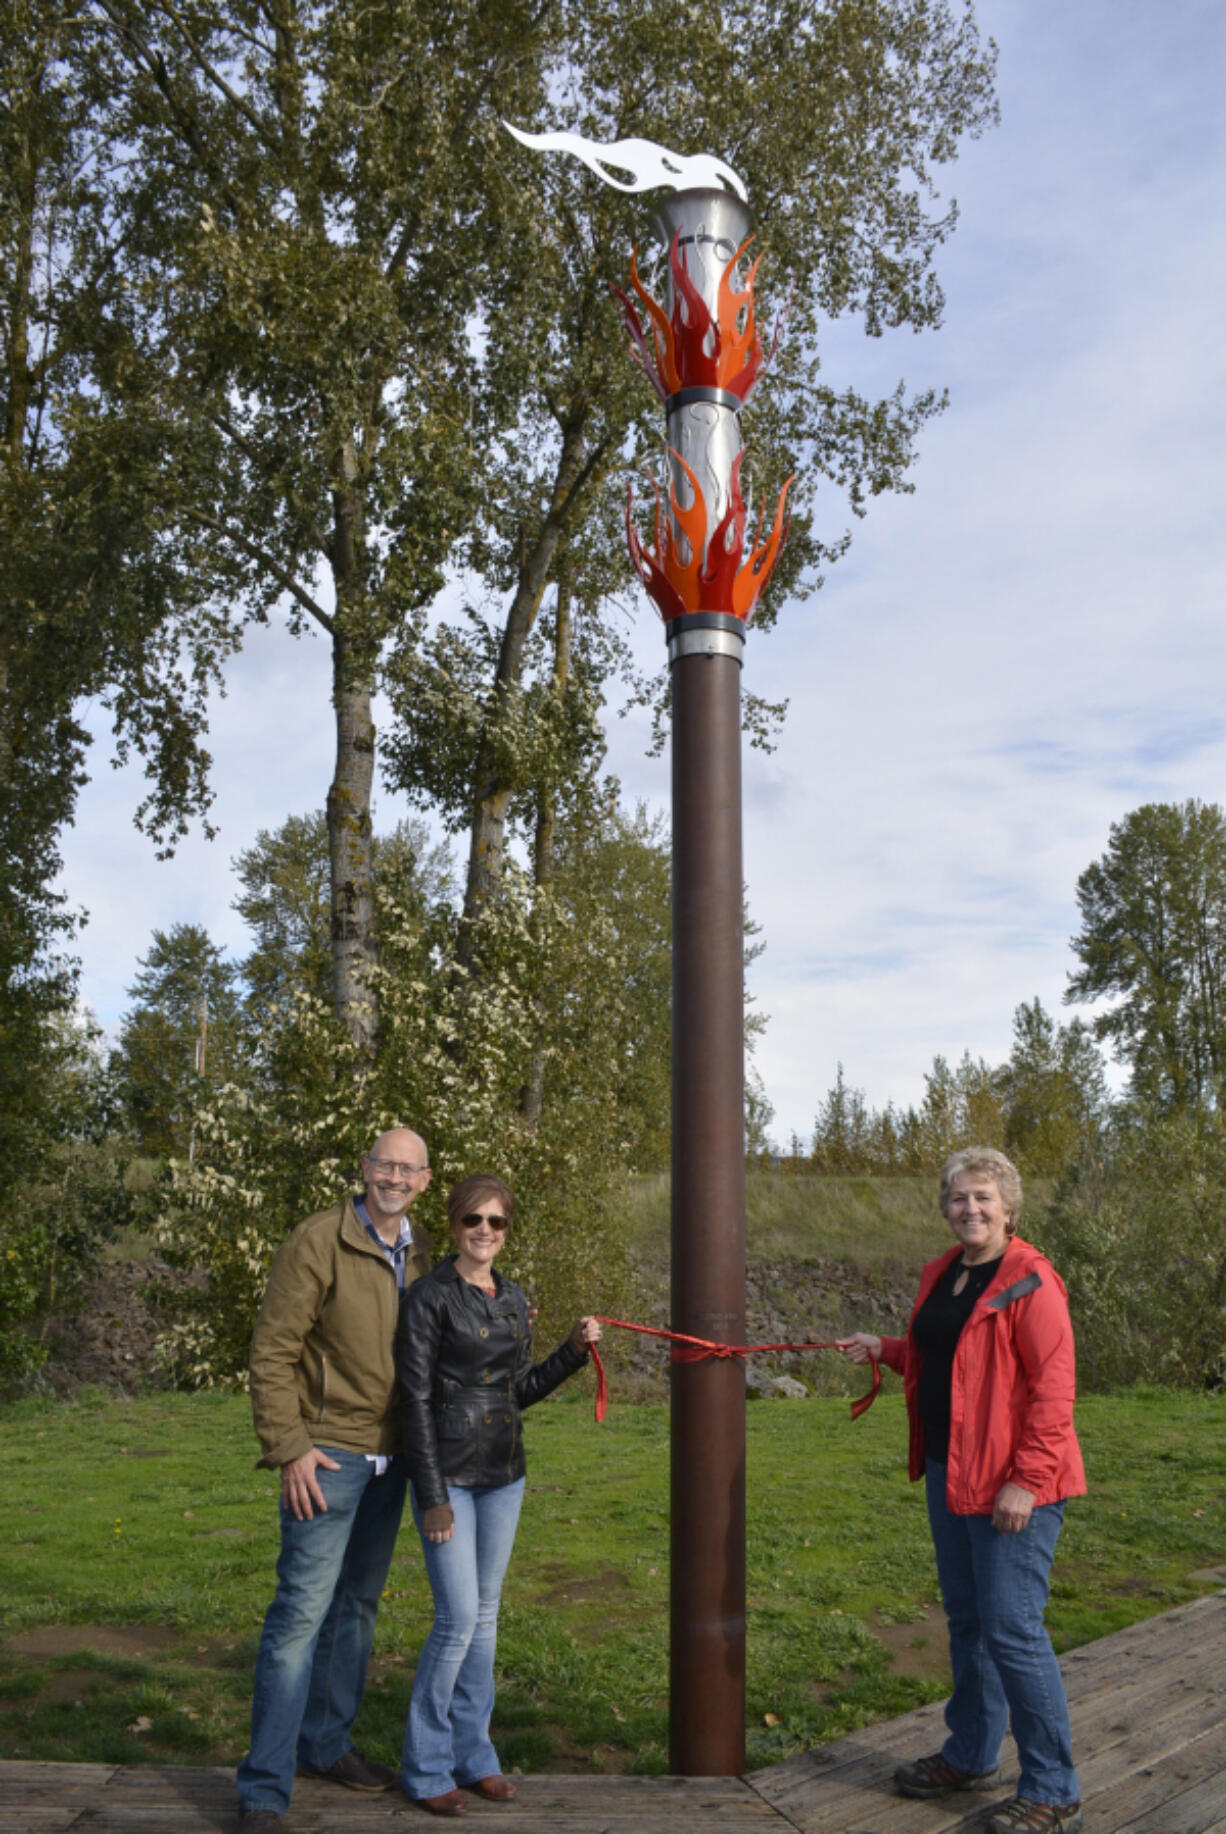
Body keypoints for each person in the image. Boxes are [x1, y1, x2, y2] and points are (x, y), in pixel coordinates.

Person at [838, 1146, 1086, 1834]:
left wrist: (1028, 1482)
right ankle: (973, 1754)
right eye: (958, 1198)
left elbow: (1054, 1391)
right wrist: (885, 1348)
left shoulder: (1032, 1279)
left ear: (1008, 1207)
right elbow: (943, 1353)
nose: (970, 1209)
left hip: (1016, 1486)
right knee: (970, 1622)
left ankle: (1052, 1787)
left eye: (983, 1198)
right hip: (952, 1471)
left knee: (1013, 1631)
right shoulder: (944, 1273)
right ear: (945, 1207)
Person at [235, 1127, 434, 1830]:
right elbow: (273, 1350)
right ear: (363, 1169)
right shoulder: (319, 1240)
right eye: (385, 1164)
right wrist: (288, 1446)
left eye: (408, 1169)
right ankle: (264, 1786)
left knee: (356, 1609)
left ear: (425, 1180)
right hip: (327, 1457)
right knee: (299, 1617)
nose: (395, 1177)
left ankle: (326, 1744)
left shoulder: (420, 1254)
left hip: (393, 1460)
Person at [395, 1174, 602, 1816]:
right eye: (473, 1220)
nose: (485, 1231)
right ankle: (426, 1766)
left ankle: (475, 1755)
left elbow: (516, 1392)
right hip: (448, 1478)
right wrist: (430, 1495)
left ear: (508, 1230)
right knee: (456, 1620)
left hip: (504, 1476)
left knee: (485, 1620)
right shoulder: (428, 1298)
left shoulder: (513, 1299)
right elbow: (416, 1400)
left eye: (497, 1222)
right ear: (455, 1224)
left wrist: (571, 1351)